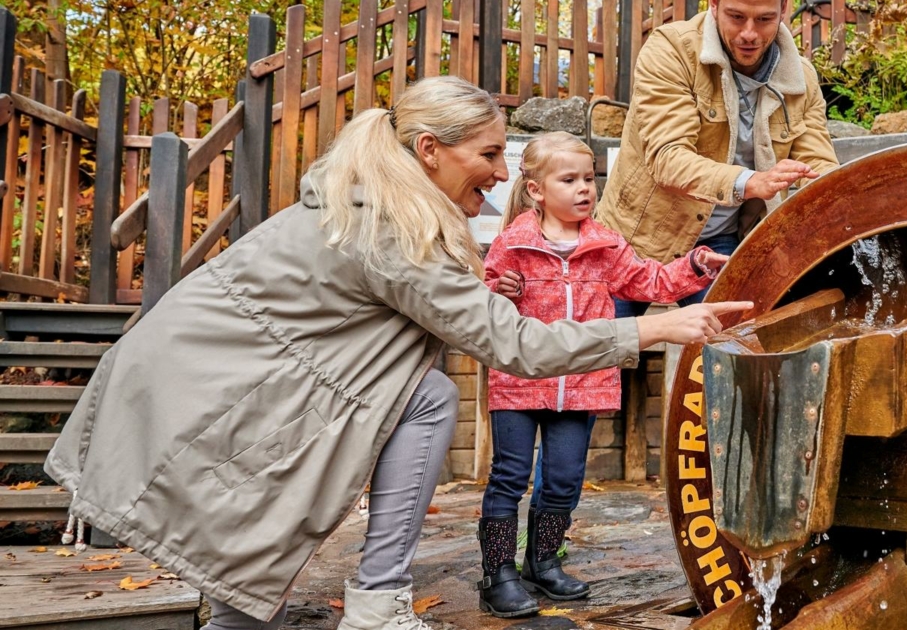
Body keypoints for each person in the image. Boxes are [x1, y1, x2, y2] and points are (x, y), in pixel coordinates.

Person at [42, 77, 749, 630]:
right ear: (430, 150)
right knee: (259, 565)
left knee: (422, 402)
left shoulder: (379, 203)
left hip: (220, 375)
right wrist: (657, 331)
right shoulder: (392, 231)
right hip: (200, 381)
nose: (498, 173)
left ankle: (357, 599)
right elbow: (513, 343)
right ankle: (376, 603)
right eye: (488, 154)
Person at [476, 132, 726, 617]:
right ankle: (498, 573)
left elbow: (651, 281)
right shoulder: (513, 244)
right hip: (518, 383)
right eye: (569, 180)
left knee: (564, 478)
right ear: (536, 190)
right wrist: (499, 290)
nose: (584, 189)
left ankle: (543, 561)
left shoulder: (606, 245)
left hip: (583, 383)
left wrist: (695, 265)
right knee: (509, 476)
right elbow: (481, 304)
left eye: (589, 179)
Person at [597, 0, 840, 317]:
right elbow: (667, 157)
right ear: (714, 4)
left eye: (764, 19)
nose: (749, 33)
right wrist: (750, 181)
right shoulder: (672, 49)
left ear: (784, 10)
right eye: (736, 17)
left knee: (734, 340)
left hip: (719, 242)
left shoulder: (800, 78)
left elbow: (820, 169)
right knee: (604, 344)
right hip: (636, 237)